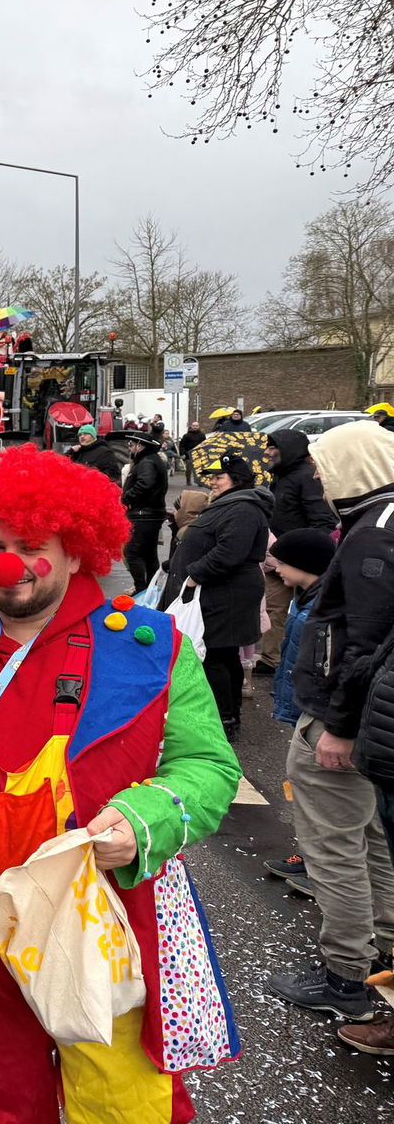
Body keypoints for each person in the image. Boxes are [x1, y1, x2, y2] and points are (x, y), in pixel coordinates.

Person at [0, 444, 240, 1124]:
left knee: (124, 1103)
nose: (9, 563)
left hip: (103, 918)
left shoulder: (151, 648)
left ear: (76, 551)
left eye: (31, 544)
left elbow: (209, 769)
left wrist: (144, 817)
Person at [270, 421, 394, 1025]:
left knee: (335, 847)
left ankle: (346, 975)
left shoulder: (373, 536)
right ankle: (382, 945)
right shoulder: (382, 523)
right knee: (368, 835)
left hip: (346, 720)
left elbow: (362, 643)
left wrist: (339, 725)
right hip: (372, 721)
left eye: (324, 467)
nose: (319, 479)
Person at [159, 454, 272, 738]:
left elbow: (229, 552)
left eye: (219, 477)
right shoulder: (233, 504)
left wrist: (195, 573)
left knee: (216, 656)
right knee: (223, 655)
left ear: (237, 479)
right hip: (222, 591)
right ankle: (227, 715)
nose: (212, 481)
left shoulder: (243, 508)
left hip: (226, 594)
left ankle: (224, 720)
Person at [260, 530, 336, 889]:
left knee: (321, 794)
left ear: (305, 565)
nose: (276, 569)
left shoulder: (325, 607)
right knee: (307, 790)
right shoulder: (307, 599)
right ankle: (310, 858)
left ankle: (319, 870)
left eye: (282, 562)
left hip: (318, 713)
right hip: (303, 706)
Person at [258, 429, 336, 674]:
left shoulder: (305, 478)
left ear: (289, 450)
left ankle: (283, 661)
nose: (268, 453)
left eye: (273, 448)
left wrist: (306, 557)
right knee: (275, 609)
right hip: (276, 557)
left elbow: (322, 520)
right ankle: (273, 659)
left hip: (298, 560)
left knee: (295, 612)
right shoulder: (279, 476)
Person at [120, 429, 169, 594]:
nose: (130, 447)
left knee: (132, 552)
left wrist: (126, 498)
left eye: (131, 444)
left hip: (144, 515)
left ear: (140, 446)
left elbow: (145, 483)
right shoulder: (150, 460)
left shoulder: (147, 462)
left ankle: (142, 588)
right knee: (149, 553)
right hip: (149, 514)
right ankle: (150, 589)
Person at [177, 420, 206, 487]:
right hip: (188, 455)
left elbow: (204, 444)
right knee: (189, 469)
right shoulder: (186, 436)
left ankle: (199, 482)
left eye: (196, 426)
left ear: (198, 426)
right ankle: (188, 481)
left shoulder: (202, 435)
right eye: (194, 426)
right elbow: (182, 445)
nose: (195, 427)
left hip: (198, 454)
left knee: (199, 469)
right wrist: (183, 454)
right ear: (191, 426)